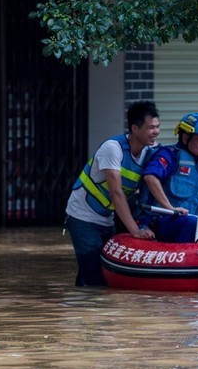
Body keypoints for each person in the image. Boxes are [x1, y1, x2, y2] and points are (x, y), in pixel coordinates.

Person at [65, 101, 161, 286]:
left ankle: (81, 306)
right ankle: (88, 311)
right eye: (150, 128)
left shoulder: (151, 151)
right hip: (83, 217)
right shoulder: (113, 148)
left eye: (157, 127)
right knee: (93, 274)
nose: (155, 132)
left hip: (107, 217)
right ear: (134, 128)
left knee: (99, 272)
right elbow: (117, 193)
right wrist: (135, 231)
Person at [141, 112, 198, 243]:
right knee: (192, 223)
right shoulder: (170, 154)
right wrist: (169, 208)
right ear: (186, 137)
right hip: (163, 221)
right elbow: (150, 177)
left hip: (190, 222)